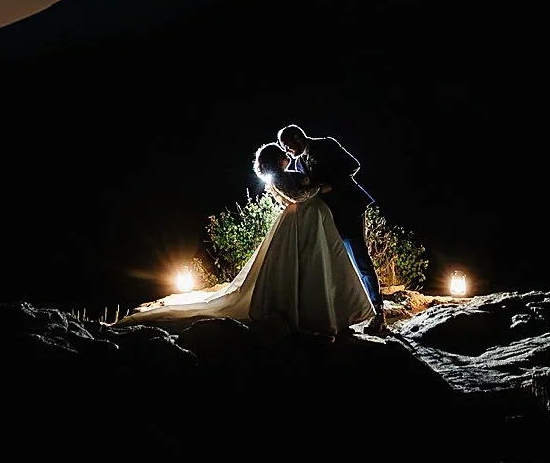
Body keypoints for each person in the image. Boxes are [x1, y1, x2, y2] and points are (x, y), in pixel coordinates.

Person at [128, 143, 374, 338]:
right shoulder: (282, 177)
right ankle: (323, 312)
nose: (289, 154)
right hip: (306, 215)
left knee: (313, 260)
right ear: (279, 159)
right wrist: (319, 186)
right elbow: (300, 195)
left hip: (304, 216)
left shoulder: (280, 175)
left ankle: (322, 309)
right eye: (284, 152)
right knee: (315, 259)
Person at [277, 124, 386, 333]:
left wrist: (332, 184)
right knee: (339, 264)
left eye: (286, 145)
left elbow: (353, 165)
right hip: (328, 217)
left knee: (360, 259)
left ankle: (379, 313)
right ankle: (348, 314)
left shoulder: (326, 144)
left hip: (348, 210)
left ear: (296, 138)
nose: (287, 151)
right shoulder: (299, 162)